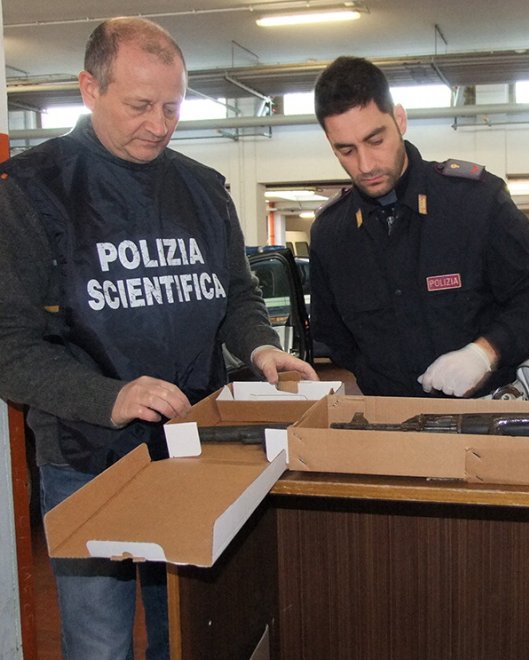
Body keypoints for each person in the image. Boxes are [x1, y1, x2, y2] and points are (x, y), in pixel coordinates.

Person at [0, 17, 317, 660]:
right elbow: (10, 344)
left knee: (186, 629)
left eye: (173, 107)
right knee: (99, 641)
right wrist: (111, 396)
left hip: (193, 447)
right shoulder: (31, 191)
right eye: (140, 105)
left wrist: (260, 346)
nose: (159, 124)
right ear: (89, 88)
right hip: (86, 456)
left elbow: (236, 295)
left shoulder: (203, 189)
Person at [310, 56, 529, 398]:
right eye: (346, 150)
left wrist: (485, 353)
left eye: (375, 140)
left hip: (486, 411)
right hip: (388, 417)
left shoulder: (474, 202)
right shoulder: (332, 234)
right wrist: (381, 377)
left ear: (399, 119)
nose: (366, 164)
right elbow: (334, 337)